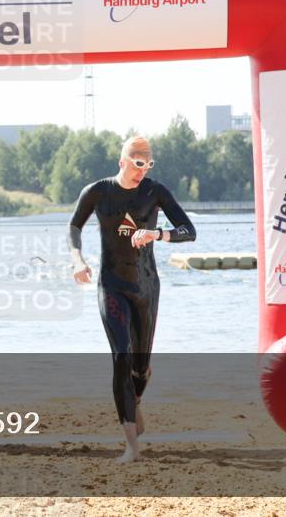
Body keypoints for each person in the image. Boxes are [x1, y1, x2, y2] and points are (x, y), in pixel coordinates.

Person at [67, 135, 196, 463]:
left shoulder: (155, 191)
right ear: (123, 161)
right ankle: (131, 446)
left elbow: (188, 229)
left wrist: (158, 234)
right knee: (121, 356)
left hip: (146, 286)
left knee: (140, 368)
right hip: (111, 285)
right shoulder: (98, 191)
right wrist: (77, 260)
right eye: (138, 163)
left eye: (148, 164)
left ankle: (134, 399)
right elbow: (74, 226)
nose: (143, 170)